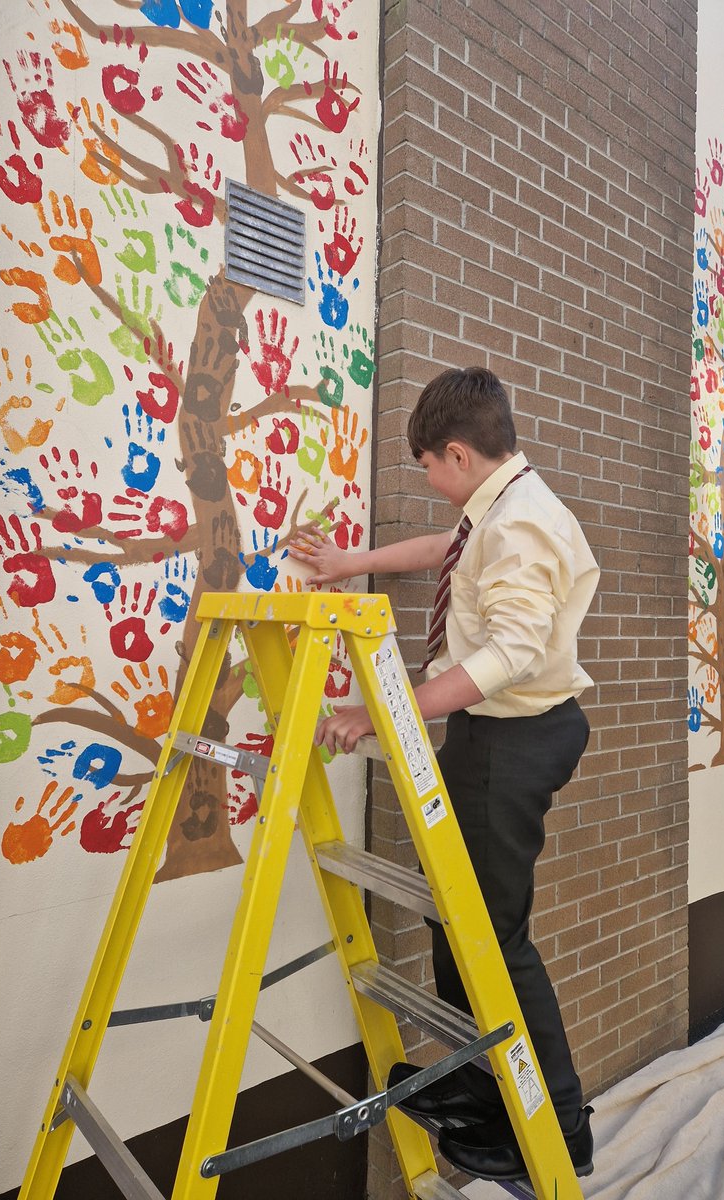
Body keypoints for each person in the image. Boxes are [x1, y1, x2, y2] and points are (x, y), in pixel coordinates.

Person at [287, 366, 599, 1182]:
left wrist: (389, 712)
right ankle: (480, 1082)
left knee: (493, 935)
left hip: (515, 740)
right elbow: (448, 552)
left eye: (426, 463)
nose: (425, 478)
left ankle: (557, 1122)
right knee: (455, 920)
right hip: (490, 736)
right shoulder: (492, 511)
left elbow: (513, 653)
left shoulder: (524, 523)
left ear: (457, 455)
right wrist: (352, 560)